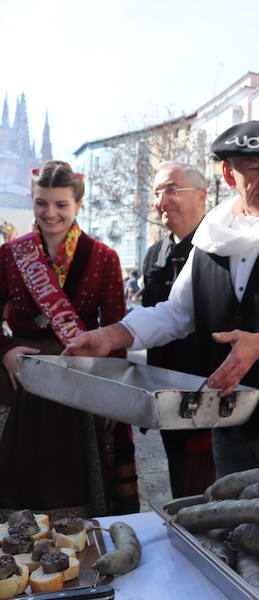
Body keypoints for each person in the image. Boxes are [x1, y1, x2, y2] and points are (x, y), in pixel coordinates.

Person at [68, 121, 259, 477]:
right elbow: (175, 313)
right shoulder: (212, 234)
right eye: (255, 170)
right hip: (226, 413)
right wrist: (110, 336)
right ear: (230, 175)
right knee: (230, 522)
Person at [0, 160, 138, 518]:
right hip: (22, 384)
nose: (50, 213)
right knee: (20, 483)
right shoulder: (9, 255)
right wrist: (6, 351)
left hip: (81, 385)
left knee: (75, 482)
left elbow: (117, 329)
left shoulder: (104, 258)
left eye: (61, 204)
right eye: (41, 203)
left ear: (78, 205)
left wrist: (114, 394)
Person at [142, 161, 214, 498]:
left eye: (172, 189)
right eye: (157, 192)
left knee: (209, 492)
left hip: (209, 395)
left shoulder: (219, 247)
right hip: (167, 394)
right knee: (180, 488)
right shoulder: (156, 253)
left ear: (201, 196)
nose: (162, 200)